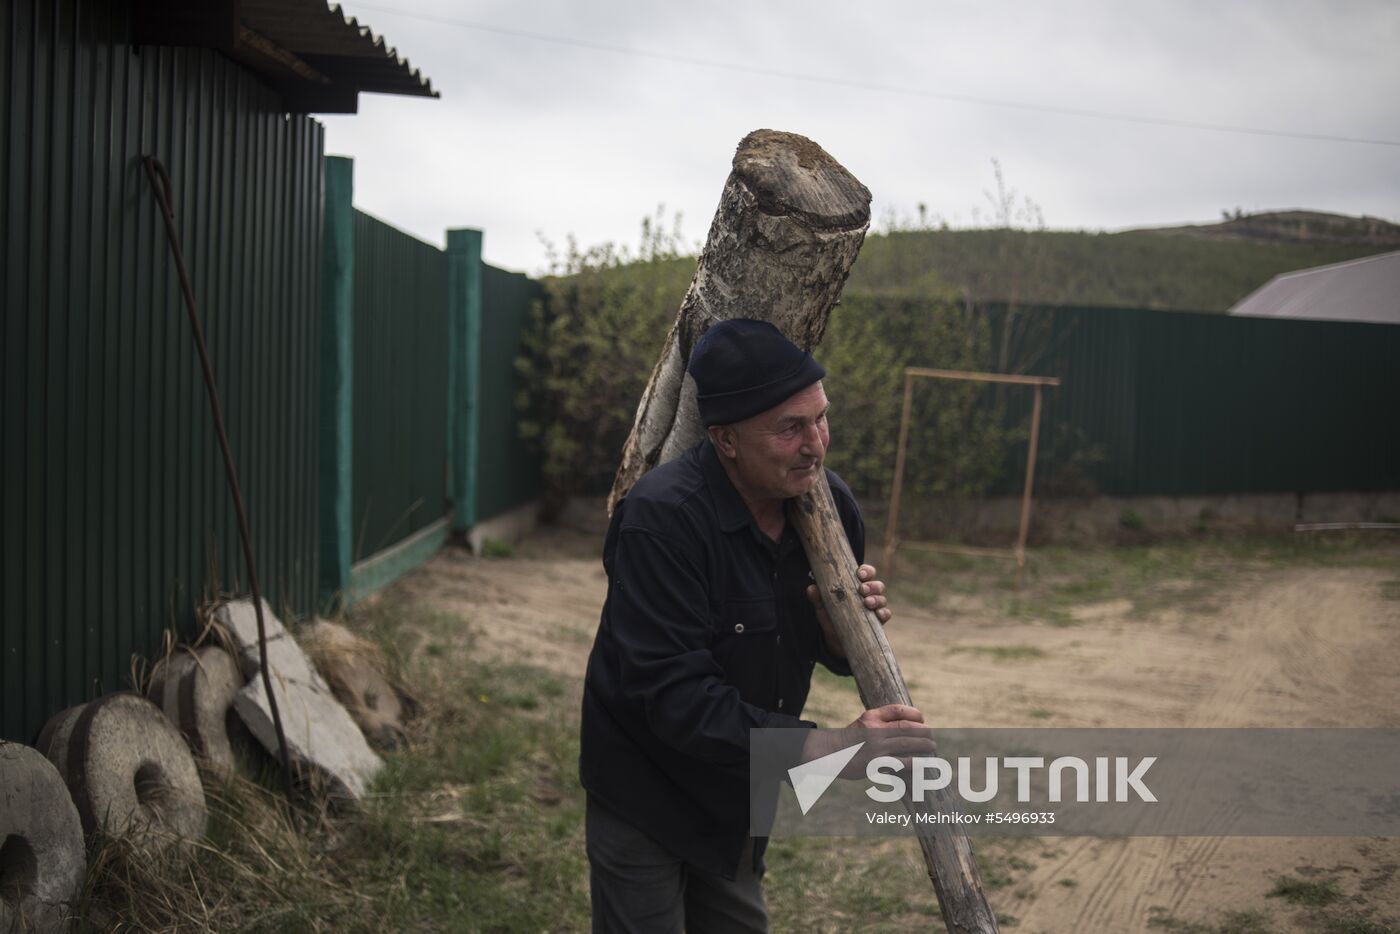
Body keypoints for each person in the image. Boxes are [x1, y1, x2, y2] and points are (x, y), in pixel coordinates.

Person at [579, 319, 927, 933]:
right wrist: (828, 750)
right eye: (789, 428)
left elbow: (822, 652)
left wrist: (835, 630)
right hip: (645, 788)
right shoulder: (661, 522)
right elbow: (676, 700)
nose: (816, 443)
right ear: (727, 440)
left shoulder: (830, 505)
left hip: (739, 792)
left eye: (820, 418)